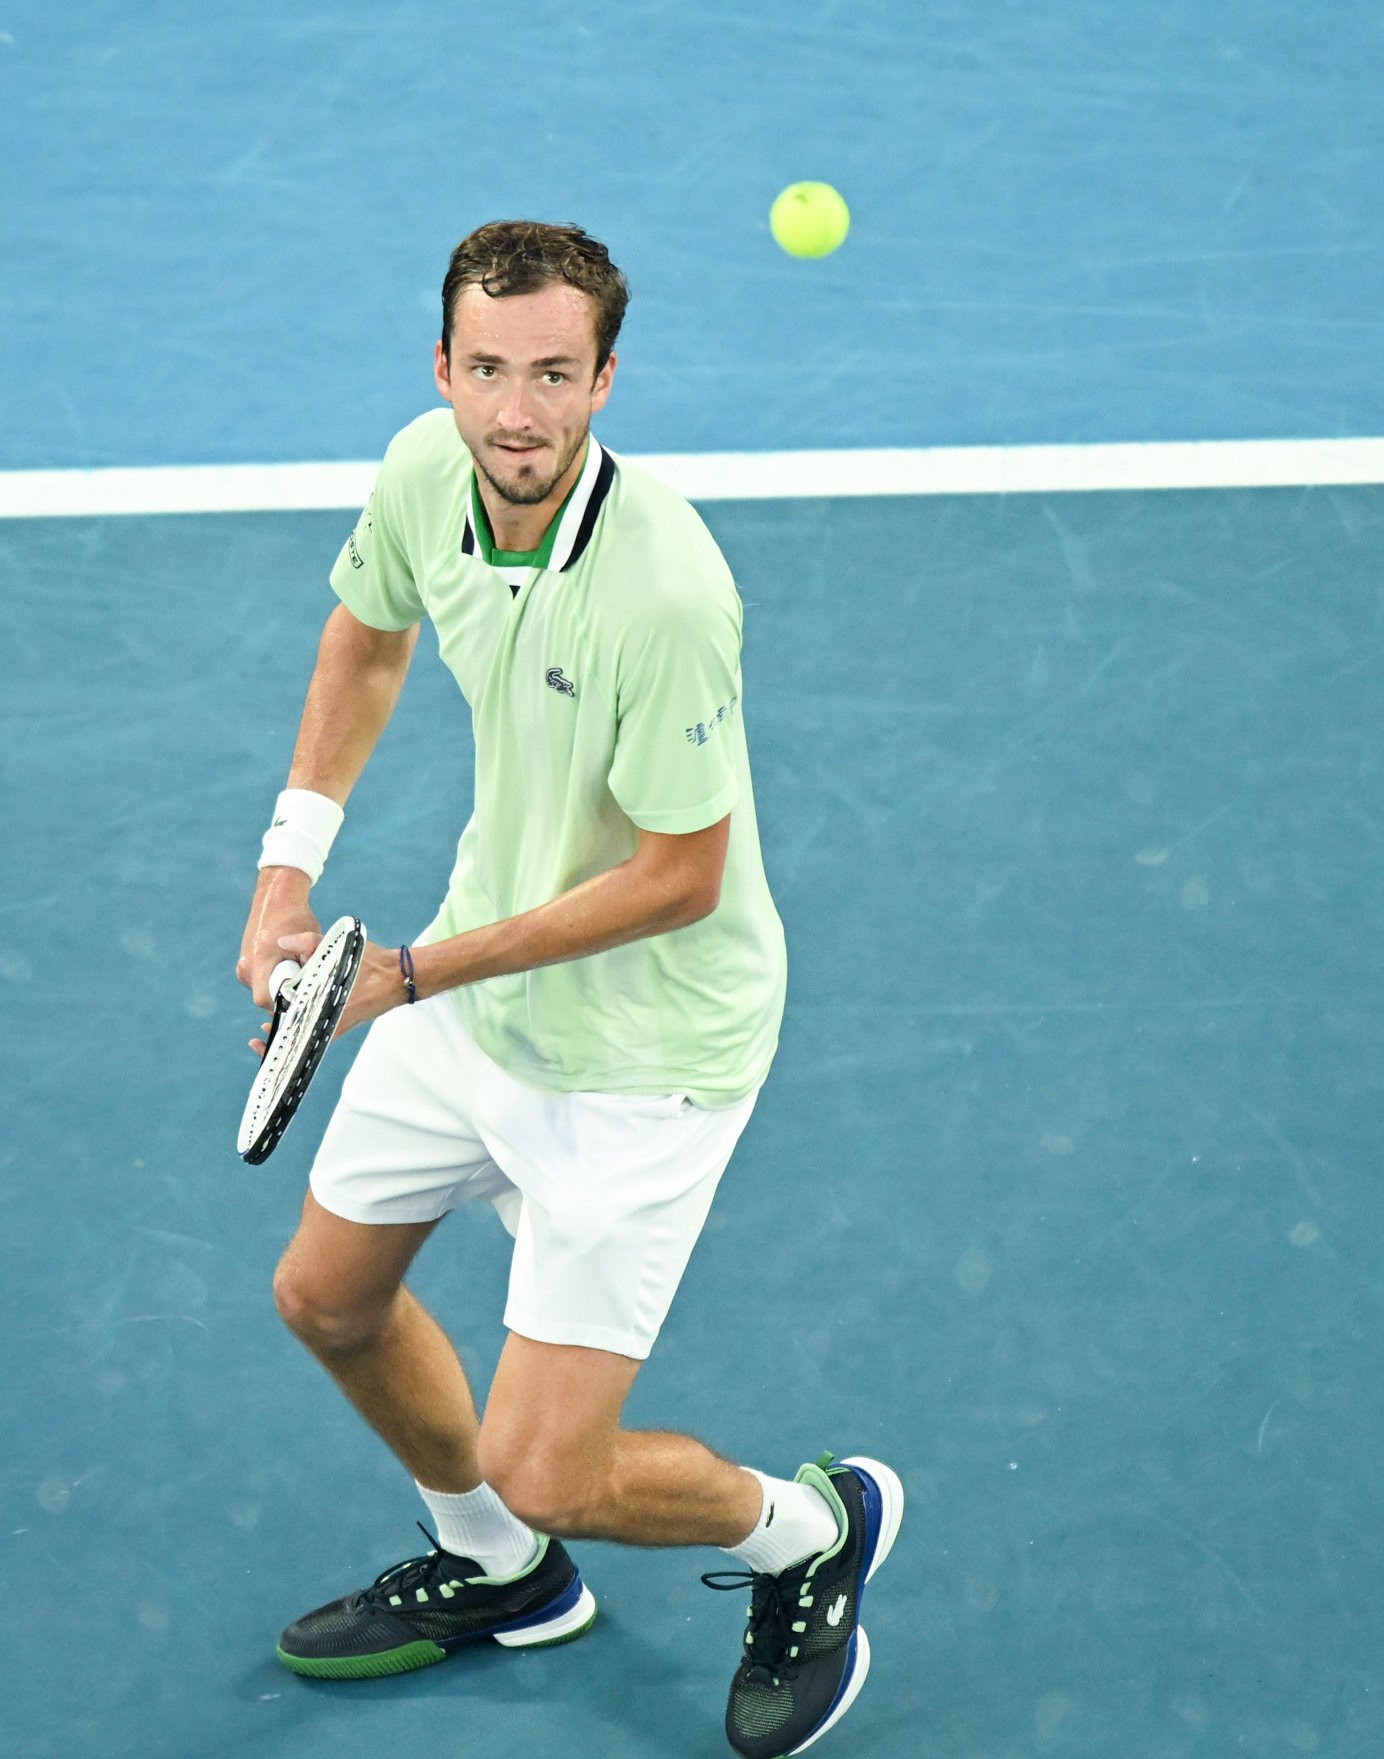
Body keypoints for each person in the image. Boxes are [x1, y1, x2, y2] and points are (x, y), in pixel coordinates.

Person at [232, 220, 902, 1759]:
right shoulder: (424, 471)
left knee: (552, 1462)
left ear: (606, 380)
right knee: (326, 1299)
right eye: (485, 371)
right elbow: (367, 631)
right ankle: (499, 1573)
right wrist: (287, 868)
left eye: (552, 376)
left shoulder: (665, 592)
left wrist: (405, 975)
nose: (513, 413)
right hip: (474, 990)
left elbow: (680, 874)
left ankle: (807, 1533)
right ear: (441, 370)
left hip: (644, 1057)